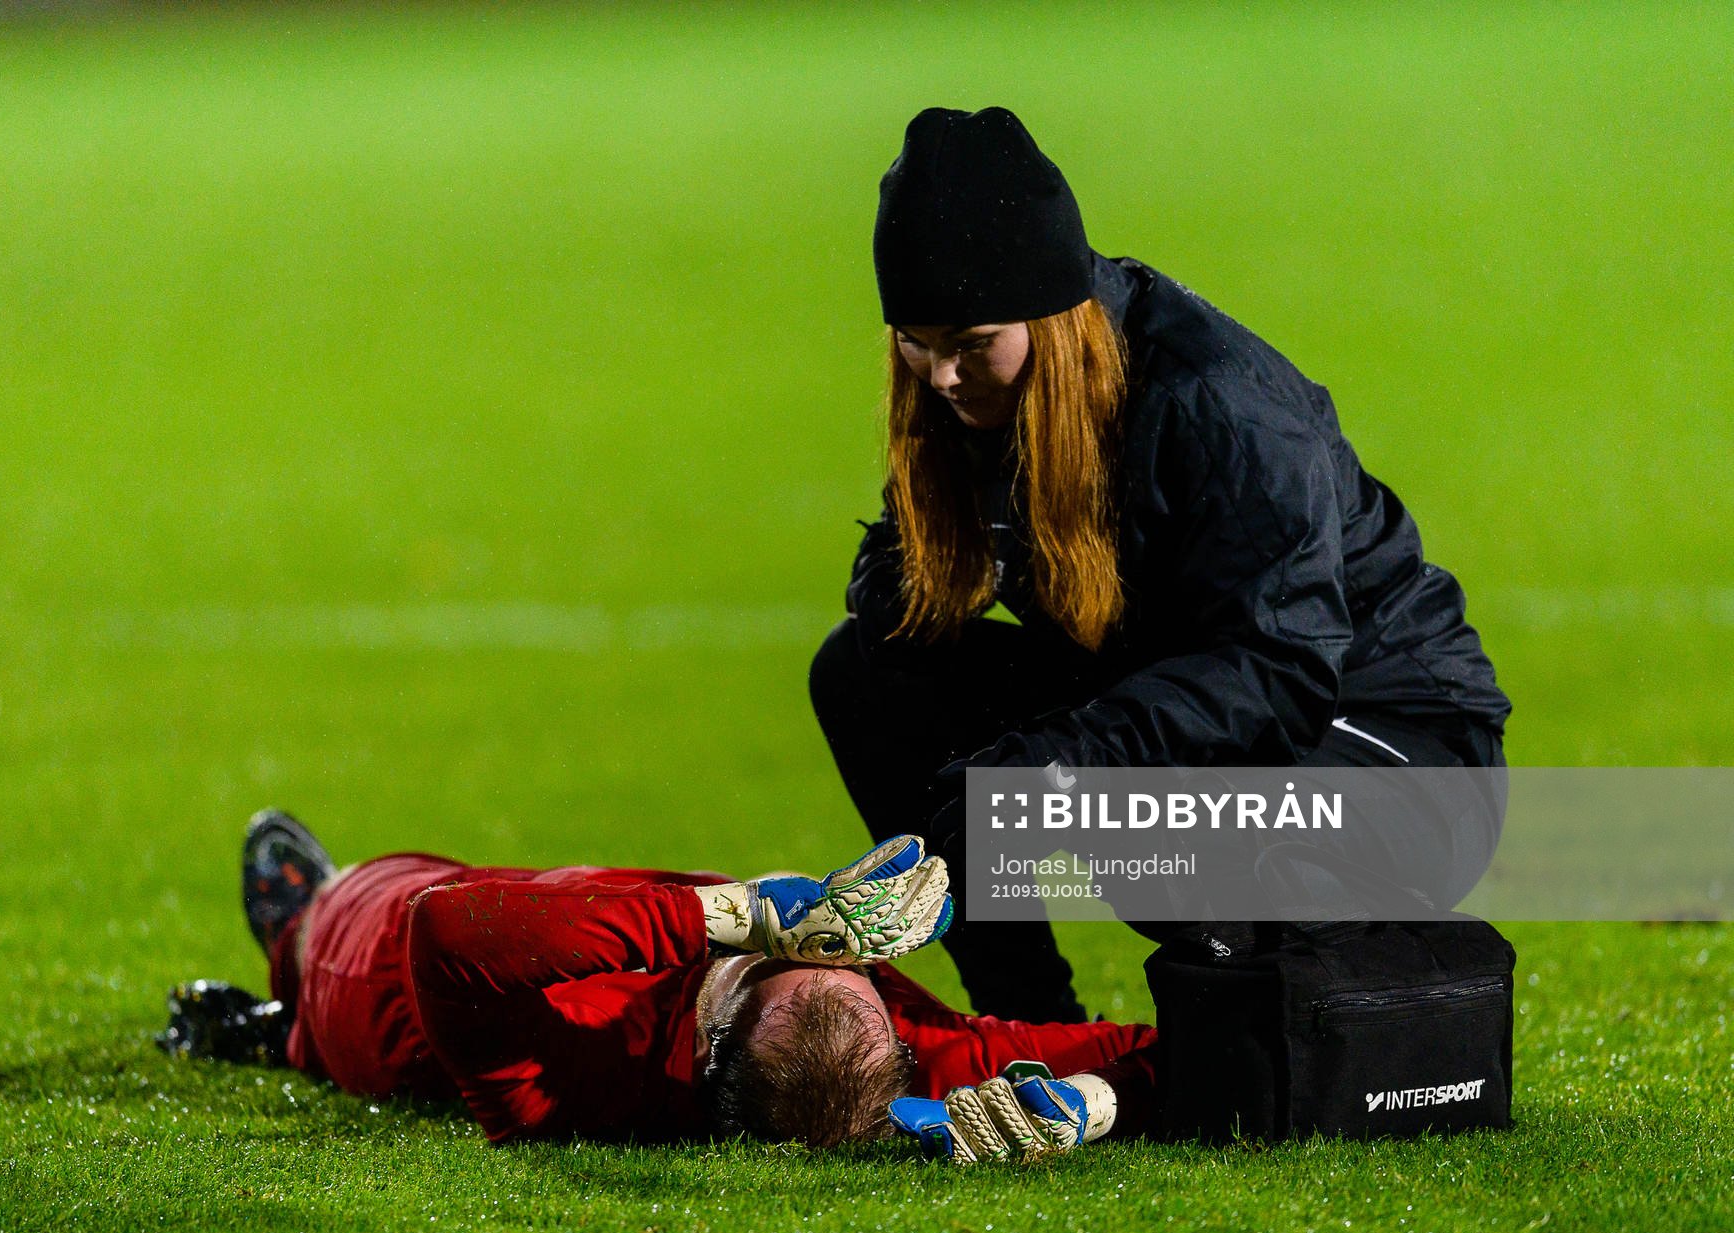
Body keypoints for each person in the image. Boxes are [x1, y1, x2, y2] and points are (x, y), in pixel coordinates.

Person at [809, 107, 1512, 1025]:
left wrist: (1057, 766)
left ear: (1049, 318)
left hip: (1396, 748)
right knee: (867, 677)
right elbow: (899, 595)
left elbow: (1278, 670)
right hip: (1185, 709)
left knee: (1153, 843)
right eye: (916, 341)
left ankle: (1322, 997)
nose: (940, 376)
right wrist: (915, 582)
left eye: (970, 343)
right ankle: (1027, 1027)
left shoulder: (1218, 402)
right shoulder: (974, 400)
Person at [157, 810, 1160, 1150]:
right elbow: (1202, 1055)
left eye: (804, 956)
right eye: (855, 968)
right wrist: (1101, 1099)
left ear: (717, 1021)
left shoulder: (583, 1057)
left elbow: (447, 930)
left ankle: (283, 964)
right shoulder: (898, 1059)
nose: (840, 947)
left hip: (374, 969)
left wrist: (742, 912)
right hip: (467, 948)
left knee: (352, 916)